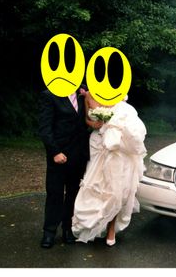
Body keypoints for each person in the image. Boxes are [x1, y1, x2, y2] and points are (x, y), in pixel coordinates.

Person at [72, 93, 147, 246]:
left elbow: (132, 129)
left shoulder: (121, 100)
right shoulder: (89, 96)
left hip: (117, 148)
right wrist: (98, 124)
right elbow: (87, 120)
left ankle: (111, 228)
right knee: (97, 184)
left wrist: (112, 124)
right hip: (98, 144)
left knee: (115, 189)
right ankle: (93, 224)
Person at [38, 87, 90, 248]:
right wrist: (55, 152)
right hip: (59, 155)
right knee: (55, 193)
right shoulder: (49, 95)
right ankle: (49, 232)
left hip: (79, 155)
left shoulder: (83, 94)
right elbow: (45, 128)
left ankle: (68, 229)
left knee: (73, 194)